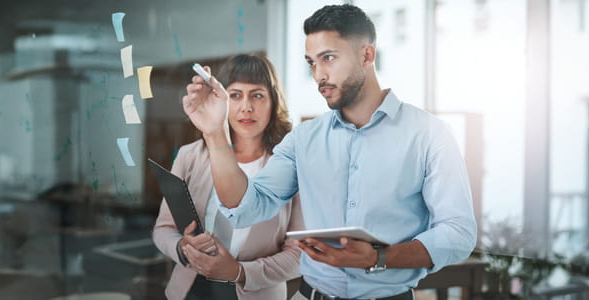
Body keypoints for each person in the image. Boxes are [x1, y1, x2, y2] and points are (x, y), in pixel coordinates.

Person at [182, 4, 478, 300]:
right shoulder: (304, 138)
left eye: (329, 58)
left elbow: (458, 233)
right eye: (311, 62)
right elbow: (245, 208)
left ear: (366, 55)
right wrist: (215, 131)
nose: (318, 75)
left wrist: (379, 257)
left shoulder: (429, 134)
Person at [153, 54, 304, 300]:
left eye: (257, 95)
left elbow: (300, 254)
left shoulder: (290, 166)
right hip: (190, 290)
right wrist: (182, 247)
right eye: (235, 95)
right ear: (219, 99)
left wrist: (239, 272)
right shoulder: (190, 156)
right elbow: (163, 229)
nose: (246, 106)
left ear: (273, 102)